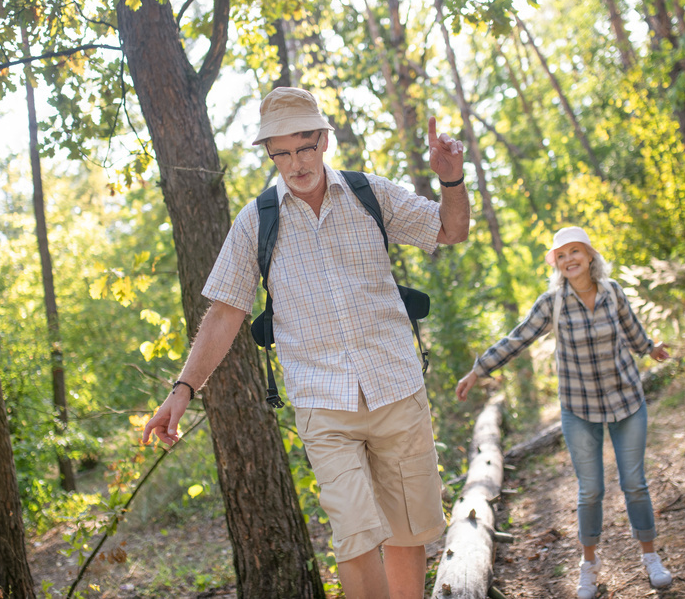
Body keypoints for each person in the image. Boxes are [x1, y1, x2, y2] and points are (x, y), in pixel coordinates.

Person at [141, 87, 470, 599]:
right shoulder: (256, 222)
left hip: (396, 387)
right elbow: (225, 311)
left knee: (407, 533)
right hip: (322, 402)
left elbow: (450, 229)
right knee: (355, 540)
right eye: (282, 153)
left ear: (324, 140)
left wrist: (450, 178)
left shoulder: (369, 193)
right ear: (270, 154)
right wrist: (182, 390)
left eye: (305, 147)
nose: (296, 163)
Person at [456, 226, 673, 598]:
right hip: (579, 408)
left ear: (589, 256)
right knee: (590, 490)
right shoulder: (551, 303)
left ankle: (650, 557)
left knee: (634, 484)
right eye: (561, 255)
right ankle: (589, 565)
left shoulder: (613, 291)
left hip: (626, 401)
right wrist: (478, 370)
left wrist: (651, 348)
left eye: (575, 251)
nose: (569, 259)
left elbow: (634, 331)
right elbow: (517, 338)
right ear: (556, 263)